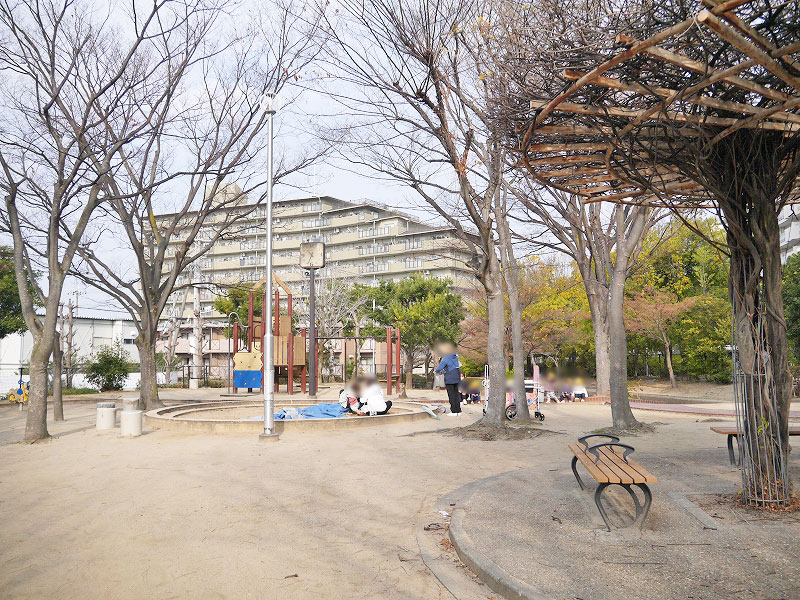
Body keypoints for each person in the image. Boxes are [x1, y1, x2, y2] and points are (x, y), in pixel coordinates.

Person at [435, 342, 462, 416]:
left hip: (450, 379)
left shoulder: (446, 358)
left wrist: (442, 370)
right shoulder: (456, 357)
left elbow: (438, 369)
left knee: (451, 395)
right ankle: (458, 411)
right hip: (457, 378)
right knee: (456, 394)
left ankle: (453, 411)